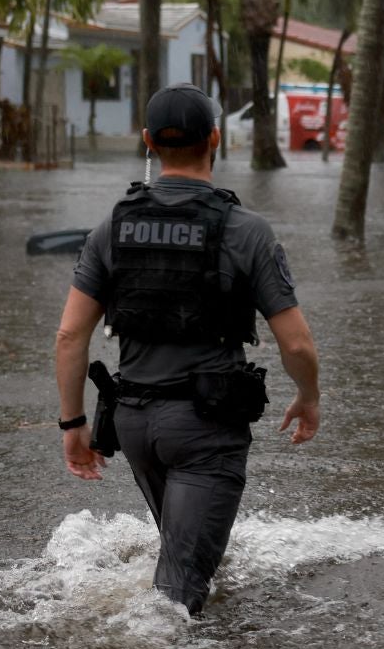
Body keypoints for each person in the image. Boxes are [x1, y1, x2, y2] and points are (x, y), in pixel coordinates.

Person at [53, 84, 322, 615]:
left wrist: (72, 424)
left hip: (133, 424)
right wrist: (308, 397)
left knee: (183, 562)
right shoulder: (246, 231)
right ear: (215, 139)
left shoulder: (113, 227)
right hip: (204, 428)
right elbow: (295, 343)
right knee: (178, 595)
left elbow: (69, 336)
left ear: (149, 141)